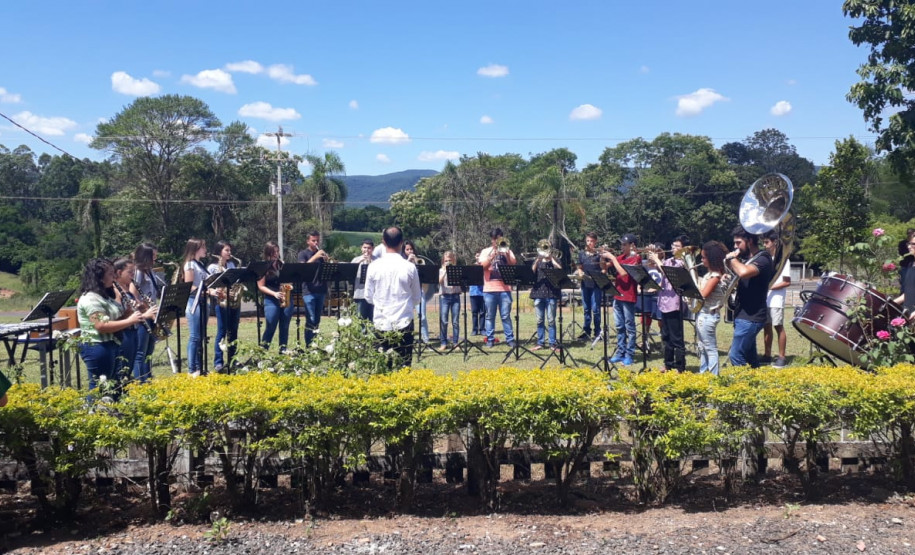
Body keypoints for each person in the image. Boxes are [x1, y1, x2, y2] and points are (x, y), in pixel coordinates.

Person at [77, 258, 155, 393]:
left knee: (113, 385)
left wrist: (127, 314)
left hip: (110, 344)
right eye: (110, 274)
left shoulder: (103, 296)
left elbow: (113, 320)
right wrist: (130, 320)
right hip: (96, 346)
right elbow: (101, 325)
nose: (114, 277)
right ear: (100, 278)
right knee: (98, 388)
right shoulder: (91, 299)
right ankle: (93, 412)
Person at [365, 226, 422, 369]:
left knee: (382, 369)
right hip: (404, 322)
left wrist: (381, 304)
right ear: (402, 242)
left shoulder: (373, 266)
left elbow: (368, 296)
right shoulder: (409, 267)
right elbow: (417, 297)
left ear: (383, 242)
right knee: (404, 367)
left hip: (381, 322)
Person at [726, 225, 774, 368]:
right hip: (742, 315)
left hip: (751, 317)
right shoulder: (748, 259)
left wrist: (732, 259)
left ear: (750, 241)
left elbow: (744, 273)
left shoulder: (764, 258)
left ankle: (742, 388)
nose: (735, 246)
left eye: (738, 243)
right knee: (750, 358)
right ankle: (757, 387)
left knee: (735, 356)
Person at [650, 236, 689, 372]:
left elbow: (666, 270)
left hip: (675, 304)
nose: (673, 248)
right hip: (664, 302)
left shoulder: (683, 263)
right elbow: (656, 267)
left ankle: (680, 366)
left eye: (677, 246)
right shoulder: (668, 260)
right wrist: (654, 255)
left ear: (684, 248)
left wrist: (657, 260)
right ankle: (668, 364)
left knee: (676, 337)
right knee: (666, 336)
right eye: (673, 245)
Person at [603, 234, 641, 365]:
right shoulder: (621, 258)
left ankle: (629, 354)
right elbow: (605, 267)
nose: (622, 247)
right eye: (622, 244)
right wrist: (603, 257)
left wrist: (613, 258)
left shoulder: (636, 258)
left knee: (629, 327)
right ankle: (620, 352)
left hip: (629, 296)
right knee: (619, 326)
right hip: (617, 295)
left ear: (632, 245)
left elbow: (624, 273)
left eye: (624, 244)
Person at [479, 228, 517, 348]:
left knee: (505, 316)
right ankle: (490, 339)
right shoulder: (486, 251)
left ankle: (510, 339)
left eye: (500, 238)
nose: (498, 241)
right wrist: (493, 255)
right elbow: (482, 267)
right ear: (492, 240)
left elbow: (513, 263)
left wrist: (505, 253)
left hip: (505, 289)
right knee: (490, 316)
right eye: (496, 239)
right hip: (489, 289)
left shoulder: (508, 250)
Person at [181, 238, 214, 376]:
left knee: (201, 336)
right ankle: (191, 369)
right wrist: (207, 291)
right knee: (195, 336)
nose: (205, 250)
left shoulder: (199, 264)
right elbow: (190, 286)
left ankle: (199, 366)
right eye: (203, 247)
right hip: (193, 302)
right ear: (195, 249)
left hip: (202, 302)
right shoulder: (190, 264)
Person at [132, 242, 163, 383]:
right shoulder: (137, 272)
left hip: (151, 314)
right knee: (141, 353)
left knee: (149, 351)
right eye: (153, 256)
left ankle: (148, 378)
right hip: (143, 316)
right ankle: (141, 382)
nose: (155, 259)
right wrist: (144, 307)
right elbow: (133, 295)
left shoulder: (150, 271)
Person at [208, 241, 241, 372]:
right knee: (222, 332)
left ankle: (233, 359)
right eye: (227, 250)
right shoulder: (212, 267)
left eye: (229, 250)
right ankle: (218, 362)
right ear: (219, 252)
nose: (229, 253)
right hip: (221, 302)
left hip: (233, 302)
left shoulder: (232, 264)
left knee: (233, 331)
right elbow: (210, 285)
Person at [696, 241, 728, 375]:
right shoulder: (710, 275)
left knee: (710, 348)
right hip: (704, 314)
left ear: (712, 259)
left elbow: (703, 294)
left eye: (704, 257)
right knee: (702, 347)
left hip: (708, 315)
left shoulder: (715, 276)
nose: (701, 260)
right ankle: (703, 372)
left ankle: (714, 376)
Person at [761, 231, 791, 368]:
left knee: (778, 326)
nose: (764, 245)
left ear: (775, 243)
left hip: (776, 300)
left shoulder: (784, 261)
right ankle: (767, 355)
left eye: (767, 242)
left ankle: (782, 357)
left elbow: (787, 282)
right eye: (764, 242)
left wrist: (769, 287)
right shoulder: (765, 259)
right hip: (764, 299)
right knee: (766, 327)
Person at [258, 241, 293, 351]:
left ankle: (283, 351)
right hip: (271, 299)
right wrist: (275, 294)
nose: (276, 254)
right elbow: (261, 286)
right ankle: (263, 351)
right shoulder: (263, 267)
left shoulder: (281, 265)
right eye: (273, 252)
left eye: (277, 251)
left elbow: (289, 280)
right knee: (271, 326)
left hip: (285, 297)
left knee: (284, 326)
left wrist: (289, 285)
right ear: (268, 253)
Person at [112, 257, 143, 381]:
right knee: (123, 369)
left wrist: (141, 307)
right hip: (124, 333)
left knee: (129, 368)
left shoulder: (126, 288)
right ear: (119, 273)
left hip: (133, 330)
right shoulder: (116, 291)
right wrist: (131, 312)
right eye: (130, 272)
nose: (133, 275)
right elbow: (117, 318)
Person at [297, 231, 329, 346]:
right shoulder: (303, 254)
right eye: (313, 240)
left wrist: (327, 261)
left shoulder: (321, 255)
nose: (316, 243)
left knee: (317, 320)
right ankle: (309, 346)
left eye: (317, 240)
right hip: (308, 291)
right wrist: (315, 257)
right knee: (310, 319)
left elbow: (327, 270)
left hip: (321, 290)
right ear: (308, 241)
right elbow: (302, 268)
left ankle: (315, 344)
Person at [531, 242, 562, 350]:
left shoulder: (556, 260)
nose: (546, 250)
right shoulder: (538, 261)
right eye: (544, 247)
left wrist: (552, 259)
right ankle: (540, 343)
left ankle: (552, 343)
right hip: (538, 293)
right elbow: (531, 272)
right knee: (539, 320)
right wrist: (537, 260)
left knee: (551, 320)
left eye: (547, 247)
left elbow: (560, 270)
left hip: (552, 293)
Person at [404, 241, 433, 344]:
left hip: (418, 290)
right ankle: (407, 340)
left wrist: (415, 262)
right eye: (407, 249)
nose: (410, 251)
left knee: (422, 316)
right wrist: (408, 261)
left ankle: (426, 340)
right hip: (406, 292)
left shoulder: (420, 260)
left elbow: (423, 275)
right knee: (406, 317)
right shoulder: (402, 262)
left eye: (411, 249)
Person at [576, 232, 603, 341]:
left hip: (596, 285)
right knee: (586, 309)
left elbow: (603, 268)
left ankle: (598, 332)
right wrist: (580, 272)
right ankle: (586, 331)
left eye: (591, 241)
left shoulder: (599, 254)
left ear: (595, 242)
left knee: (596, 309)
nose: (589, 243)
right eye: (588, 241)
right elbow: (579, 267)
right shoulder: (582, 254)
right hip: (585, 284)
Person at [439, 251, 461, 349]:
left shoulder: (457, 269)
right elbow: (439, 281)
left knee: (455, 321)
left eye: (450, 260)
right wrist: (445, 271)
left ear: (453, 260)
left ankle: (455, 342)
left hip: (455, 296)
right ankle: (443, 343)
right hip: (445, 297)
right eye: (446, 260)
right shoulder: (441, 270)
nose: (448, 262)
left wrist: (453, 270)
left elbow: (460, 281)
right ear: (443, 261)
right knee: (444, 321)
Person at [351, 239, 375, 323]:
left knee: (373, 318)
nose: (366, 250)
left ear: (372, 249)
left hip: (374, 294)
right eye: (365, 247)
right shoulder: (356, 259)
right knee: (360, 318)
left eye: (369, 248)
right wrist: (360, 261)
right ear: (361, 248)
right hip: (360, 293)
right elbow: (350, 272)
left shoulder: (377, 260)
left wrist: (370, 262)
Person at [469, 252, 486, 336]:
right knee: (474, 312)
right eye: (477, 255)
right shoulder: (472, 267)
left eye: (480, 255)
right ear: (475, 257)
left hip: (483, 292)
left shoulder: (485, 266)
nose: (478, 257)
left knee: (483, 312)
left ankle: (482, 329)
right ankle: (474, 329)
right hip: (473, 292)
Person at [899, 228, 915, 294]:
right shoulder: (902, 243)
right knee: (904, 285)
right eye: (909, 233)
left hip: (912, 264)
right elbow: (902, 253)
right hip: (905, 265)